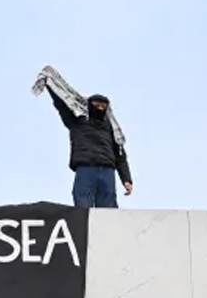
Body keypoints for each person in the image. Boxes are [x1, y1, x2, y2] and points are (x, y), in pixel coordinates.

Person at [33, 66, 133, 208]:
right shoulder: (77, 121)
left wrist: (126, 179)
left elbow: (120, 156)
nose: (100, 108)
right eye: (97, 104)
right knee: (82, 205)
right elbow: (62, 104)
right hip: (85, 167)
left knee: (108, 208)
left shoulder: (112, 128)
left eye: (103, 105)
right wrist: (50, 84)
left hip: (107, 170)